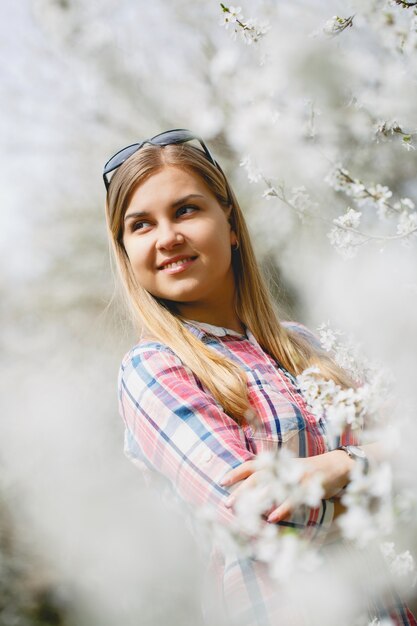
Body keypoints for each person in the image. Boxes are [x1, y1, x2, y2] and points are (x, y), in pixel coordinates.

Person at [103, 129, 416, 626]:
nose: (168, 237)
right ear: (126, 251)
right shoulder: (153, 369)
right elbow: (262, 518)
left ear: (229, 222)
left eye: (186, 209)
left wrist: (342, 466)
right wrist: (377, 472)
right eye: (141, 225)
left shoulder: (312, 346)